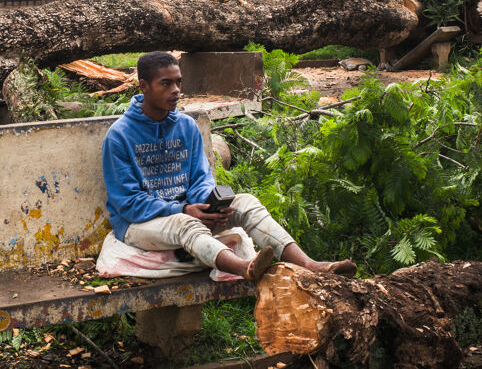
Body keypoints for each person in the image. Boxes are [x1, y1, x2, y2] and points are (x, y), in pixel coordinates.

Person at [101, 52, 356, 283]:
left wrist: (210, 206)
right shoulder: (120, 136)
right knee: (185, 224)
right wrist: (183, 209)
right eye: (166, 84)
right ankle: (246, 268)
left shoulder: (186, 127)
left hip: (187, 211)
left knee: (246, 203)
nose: (176, 90)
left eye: (179, 82)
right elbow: (128, 203)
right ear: (143, 86)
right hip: (137, 225)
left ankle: (309, 265)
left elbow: (201, 178)